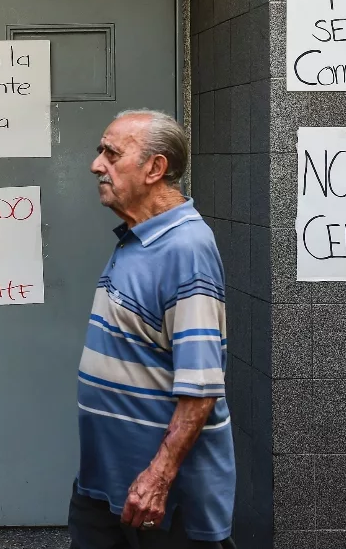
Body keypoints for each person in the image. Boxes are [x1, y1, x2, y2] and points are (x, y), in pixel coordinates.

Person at [69, 110, 235, 549]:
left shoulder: (186, 248)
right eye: (100, 152)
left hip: (158, 500)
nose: (96, 165)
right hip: (106, 481)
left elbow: (201, 387)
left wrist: (157, 477)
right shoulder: (138, 236)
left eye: (112, 154)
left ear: (155, 168)